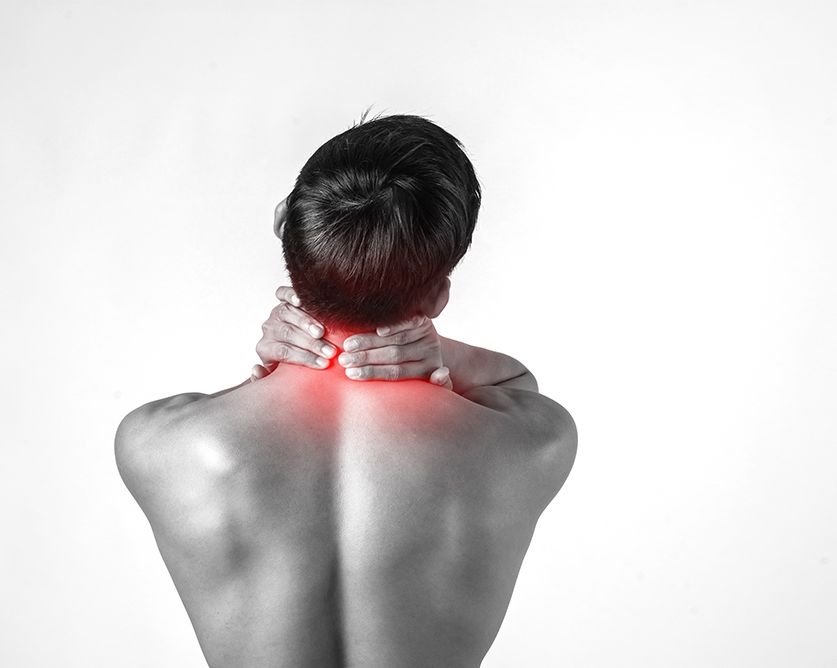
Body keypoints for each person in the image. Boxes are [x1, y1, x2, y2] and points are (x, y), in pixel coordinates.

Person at [116, 115, 576, 668]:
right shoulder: (531, 443)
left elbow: (230, 409)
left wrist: (270, 365)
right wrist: (437, 349)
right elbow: (515, 383)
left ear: (284, 224)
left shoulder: (158, 443)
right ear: (438, 295)